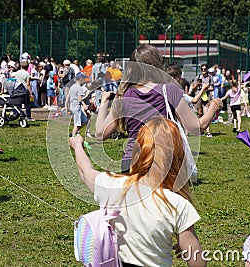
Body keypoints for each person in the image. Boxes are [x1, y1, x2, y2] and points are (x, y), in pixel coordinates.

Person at [70, 117, 206, 267]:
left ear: (138, 150)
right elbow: (197, 263)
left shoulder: (113, 185)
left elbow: (85, 170)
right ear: (177, 156)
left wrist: (77, 146)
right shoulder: (177, 205)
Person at [95, 44, 204, 173]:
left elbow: (100, 134)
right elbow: (196, 127)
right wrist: (215, 105)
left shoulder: (125, 94)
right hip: (161, 161)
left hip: (131, 162)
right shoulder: (169, 91)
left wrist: (104, 102)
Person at [65, 73, 88, 137]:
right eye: (84, 79)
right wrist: (86, 96)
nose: (84, 80)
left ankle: (73, 132)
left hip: (72, 106)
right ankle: (73, 137)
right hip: (76, 107)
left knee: (85, 120)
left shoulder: (72, 86)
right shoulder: (79, 88)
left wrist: (66, 106)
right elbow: (79, 100)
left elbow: (68, 96)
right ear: (80, 79)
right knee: (77, 124)